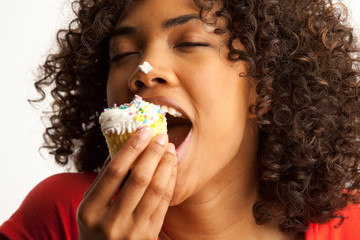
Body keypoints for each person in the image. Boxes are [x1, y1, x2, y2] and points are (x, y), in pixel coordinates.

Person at [1, 0, 360, 239]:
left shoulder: (351, 224)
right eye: (123, 54)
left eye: (190, 43)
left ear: (264, 90)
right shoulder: (60, 213)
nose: (144, 71)